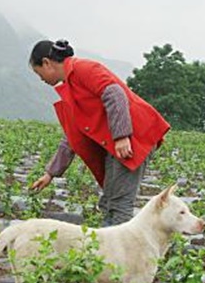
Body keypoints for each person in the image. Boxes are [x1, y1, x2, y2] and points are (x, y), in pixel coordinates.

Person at [29, 39, 170, 226]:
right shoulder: (70, 86)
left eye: (39, 74)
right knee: (109, 201)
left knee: (119, 204)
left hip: (133, 137)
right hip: (119, 142)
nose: (42, 79)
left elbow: (115, 94)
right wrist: (50, 173)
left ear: (47, 62)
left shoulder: (83, 69)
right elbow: (72, 136)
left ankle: (116, 253)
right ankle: (107, 247)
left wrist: (121, 136)